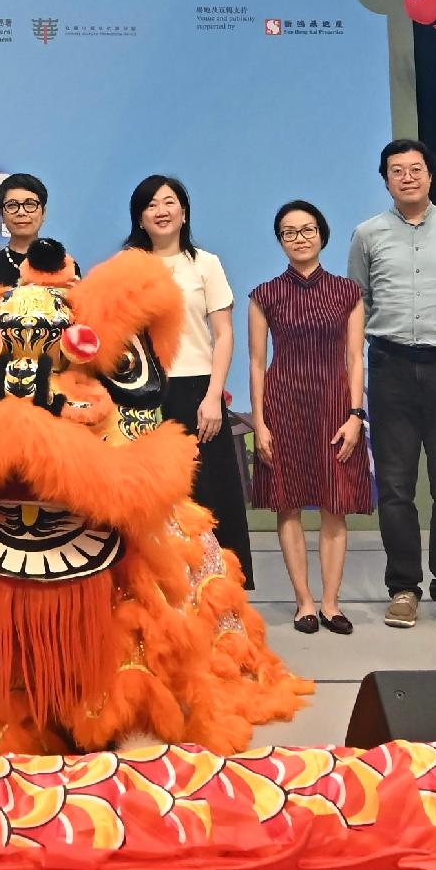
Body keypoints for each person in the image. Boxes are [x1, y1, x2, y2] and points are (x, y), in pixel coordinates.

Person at [351, 138, 436, 631]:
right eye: (396, 171)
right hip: (390, 368)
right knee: (395, 488)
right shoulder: (367, 234)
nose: (407, 177)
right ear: (385, 180)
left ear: (430, 175)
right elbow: (358, 302)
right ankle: (403, 587)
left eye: (416, 169)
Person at [246, 199, 368, 635]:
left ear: (322, 234)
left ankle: (332, 603)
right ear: (280, 241)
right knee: (289, 503)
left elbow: (356, 357)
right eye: (289, 232)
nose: (299, 238)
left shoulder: (348, 292)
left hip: (336, 403)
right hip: (283, 403)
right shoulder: (264, 295)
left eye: (307, 229)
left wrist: (356, 415)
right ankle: (305, 603)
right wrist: (258, 422)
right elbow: (256, 362)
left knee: (335, 505)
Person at [128, 173, 250, 579]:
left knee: (208, 494)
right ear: (140, 218)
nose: (160, 211)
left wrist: (214, 396)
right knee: (153, 498)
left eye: (168, 202)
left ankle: (218, 587)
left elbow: (224, 334)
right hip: (143, 394)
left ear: (183, 211)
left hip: (197, 390)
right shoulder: (128, 267)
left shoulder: (205, 264)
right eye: (150, 205)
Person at [0, 171, 69, 286]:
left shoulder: (65, 266)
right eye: (12, 205)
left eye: (30, 204)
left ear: (43, 213)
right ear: (1, 215)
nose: (21, 212)